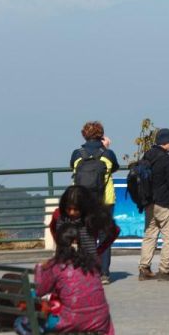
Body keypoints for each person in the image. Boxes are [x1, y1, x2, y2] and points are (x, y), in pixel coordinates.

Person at [15, 223, 115, 335]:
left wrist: (40, 268)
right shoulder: (92, 263)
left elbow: (40, 290)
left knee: (21, 322)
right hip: (100, 321)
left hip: (72, 322)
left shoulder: (57, 266)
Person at [70, 121, 119, 284]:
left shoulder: (77, 154)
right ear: (101, 135)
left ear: (84, 135)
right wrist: (105, 148)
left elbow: (73, 169)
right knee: (104, 236)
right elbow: (115, 168)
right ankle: (104, 273)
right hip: (105, 200)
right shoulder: (108, 154)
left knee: (85, 235)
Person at [48, 186, 119, 277]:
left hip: (88, 268)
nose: (72, 213)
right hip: (63, 265)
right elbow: (53, 228)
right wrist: (60, 242)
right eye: (68, 209)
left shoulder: (94, 216)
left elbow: (114, 231)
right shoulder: (58, 215)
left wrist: (99, 251)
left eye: (76, 209)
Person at [138, 128, 169, 281]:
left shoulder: (147, 156)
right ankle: (165, 270)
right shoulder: (168, 160)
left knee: (150, 235)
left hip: (149, 202)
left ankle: (144, 268)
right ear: (167, 142)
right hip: (164, 203)